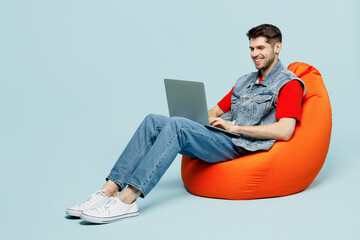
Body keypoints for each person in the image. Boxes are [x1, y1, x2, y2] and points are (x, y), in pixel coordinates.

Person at [66, 24, 305, 224]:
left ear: (277, 47)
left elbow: (285, 130)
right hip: (223, 137)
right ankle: (107, 190)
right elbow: (216, 110)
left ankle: (128, 199)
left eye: (261, 47)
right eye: (252, 48)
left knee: (178, 126)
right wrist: (202, 117)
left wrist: (234, 128)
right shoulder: (245, 81)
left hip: (242, 145)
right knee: (154, 121)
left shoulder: (288, 84)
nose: (255, 53)